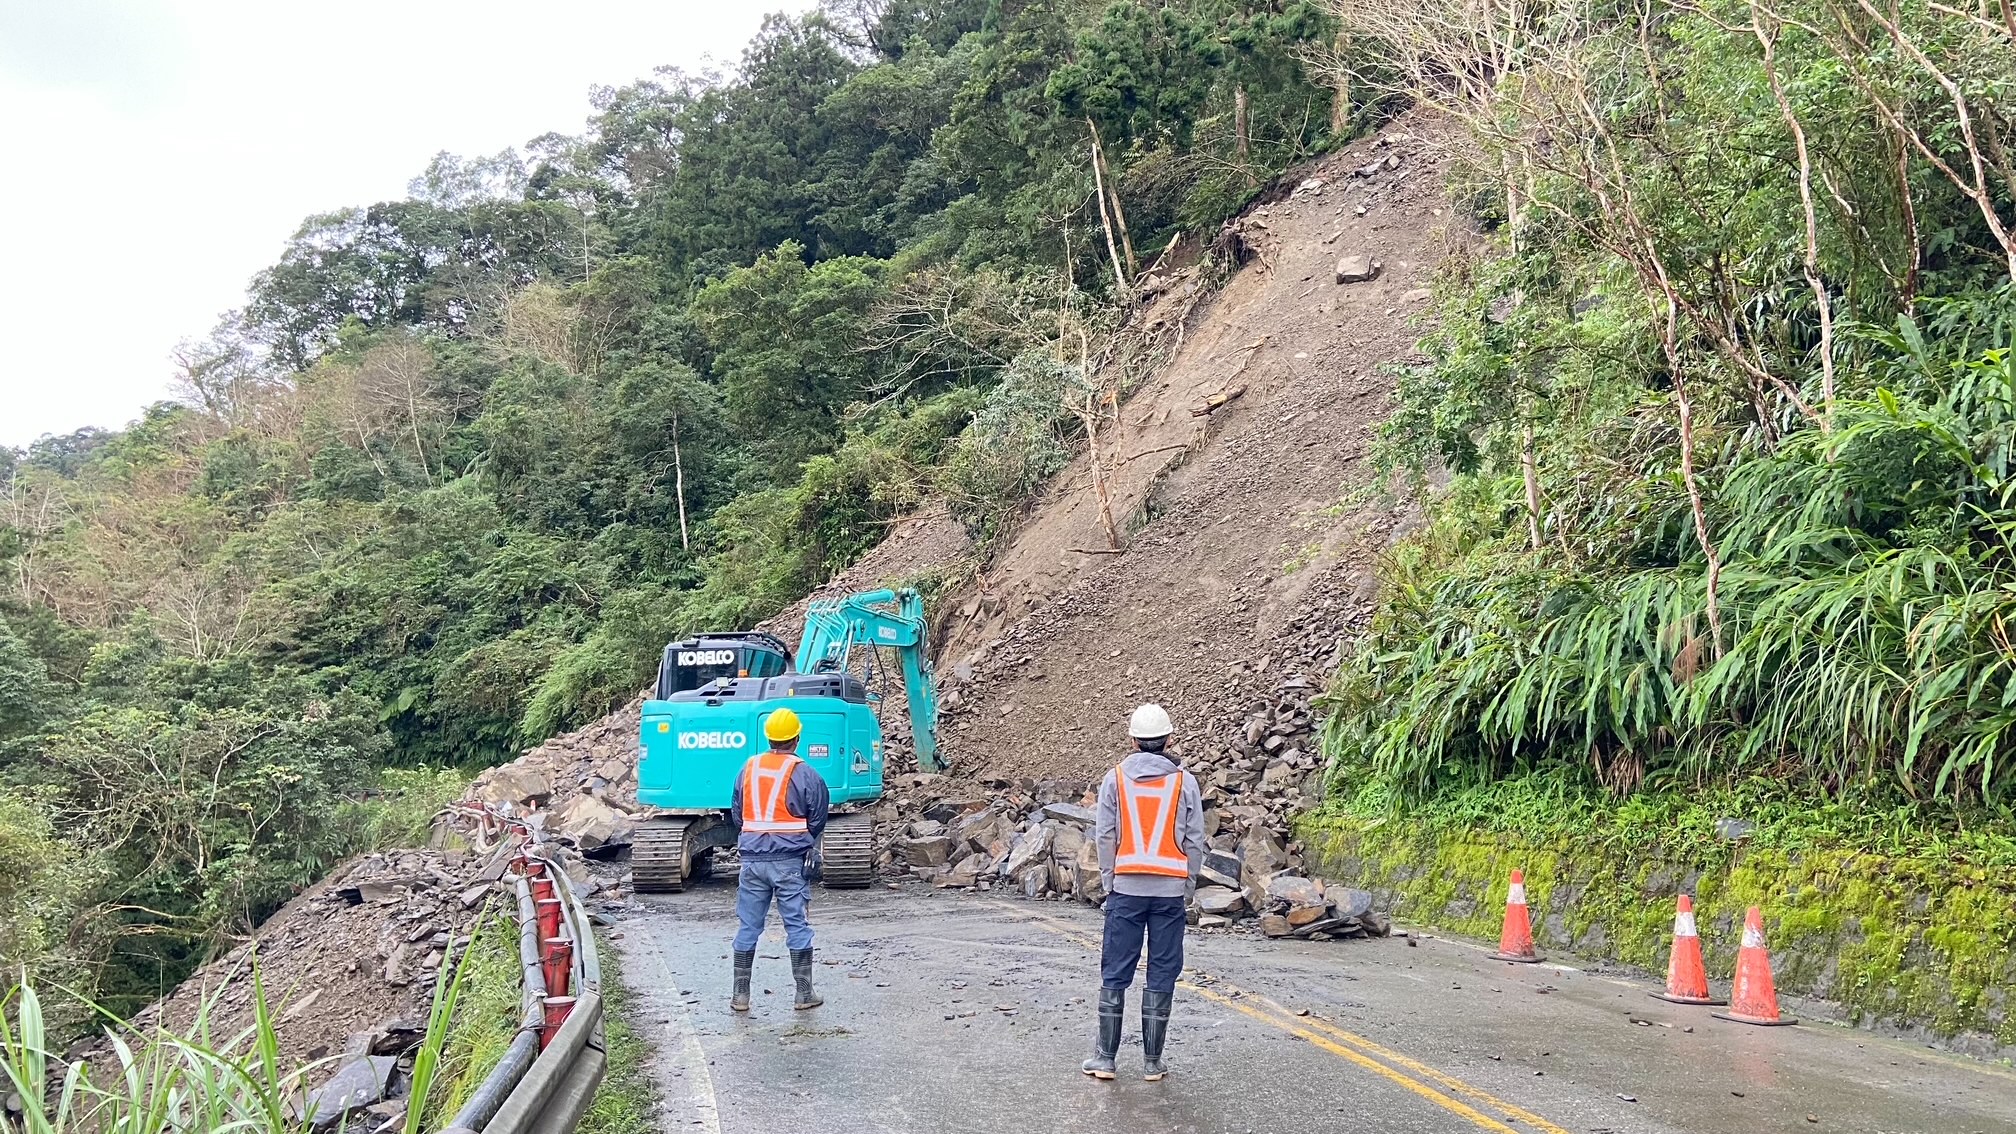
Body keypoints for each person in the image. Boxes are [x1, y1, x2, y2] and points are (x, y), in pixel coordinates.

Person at [1082, 703, 1204, 1082]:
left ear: (1133, 740)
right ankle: (1152, 1063)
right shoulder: (1185, 782)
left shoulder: (1114, 780)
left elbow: (1104, 836)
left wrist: (1109, 882)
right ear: (1169, 739)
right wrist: (1187, 886)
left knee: (1116, 969)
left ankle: (1106, 1059)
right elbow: (1196, 840)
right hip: (1169, 894)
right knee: (1162, 970)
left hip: (1126, 890)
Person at [727, 706, 831, 1012]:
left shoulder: (748, 768)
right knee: (797, 925)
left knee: (748, 926)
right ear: (796, 738)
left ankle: (740, 996)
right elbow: (818, 816)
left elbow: (737, 813)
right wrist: (803, 841)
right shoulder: (805, 773)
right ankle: (803, 994)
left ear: (768, 737)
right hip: (789, 862)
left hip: (753, 860)